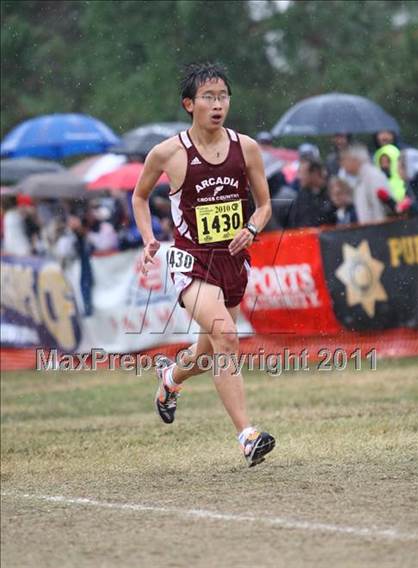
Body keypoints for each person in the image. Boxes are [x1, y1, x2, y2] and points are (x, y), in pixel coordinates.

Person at [132, 62, 275, 467]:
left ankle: (171, 378)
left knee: (209, 352)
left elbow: (264, 206)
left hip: (233, 260)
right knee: (228, 337)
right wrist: (148, 238)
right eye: (209, 98)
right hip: (189, 260)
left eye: (223, 96)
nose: (218, 105)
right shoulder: (168, 152)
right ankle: (247, 435)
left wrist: (251, 226)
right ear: (189, 104)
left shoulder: (246, 147)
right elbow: (139, 197)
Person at [341, 144, 390, 224]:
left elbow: (380, 208)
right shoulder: (360, 177)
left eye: (345, 160)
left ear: (355, 159)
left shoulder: (373, 176)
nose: (343, 164)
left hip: (378, 231)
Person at [287, 158, 336, 228]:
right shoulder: (301, 196)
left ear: (314, 173)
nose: (299, 177)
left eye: (302, 173)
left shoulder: (334, 192)